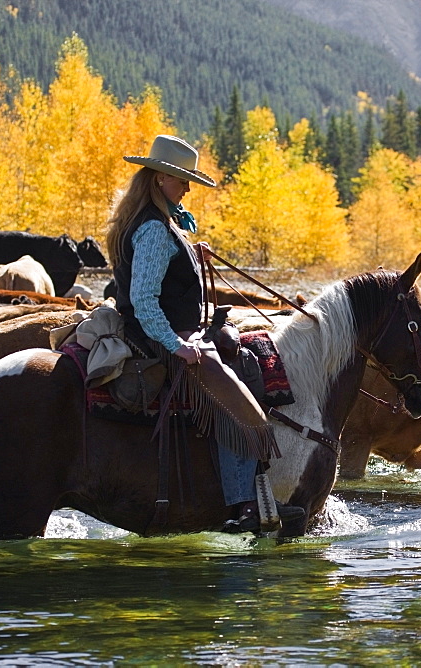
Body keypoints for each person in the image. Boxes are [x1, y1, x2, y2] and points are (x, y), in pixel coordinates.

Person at [105, 134, 304, 532]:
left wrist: (193, 255)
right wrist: (176, 345)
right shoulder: (155, 230)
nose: (187, 187)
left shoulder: (154, 222)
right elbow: (145, 300)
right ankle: (244, 505)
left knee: (243, 361)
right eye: (182, 180)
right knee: (233, 402)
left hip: (158, 330)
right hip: (157, 336)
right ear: (160, 179)